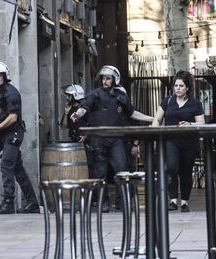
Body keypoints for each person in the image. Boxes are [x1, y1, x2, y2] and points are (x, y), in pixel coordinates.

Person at [71, 65, 153, 212]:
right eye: (103, 78)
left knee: (121, 169)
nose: (105, 81)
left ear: (115, 79)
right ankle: (103, 202)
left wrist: (152, 119)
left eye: (108, 78)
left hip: (117, 139)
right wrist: (77, 114)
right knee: (100, 172)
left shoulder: (121, 96)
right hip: (98, 139)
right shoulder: (94, 94)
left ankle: (122, 201)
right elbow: (84, 107)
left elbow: (132, 113)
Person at [0, 61, 40, 214]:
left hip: (13, 133)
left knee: (6, 165)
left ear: (4, 76)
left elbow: (13, 117)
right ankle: (32, 202)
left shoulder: (11, 93)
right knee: (18, 169)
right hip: (0, 134)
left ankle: (8, 201)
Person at [152, 70, 205, 212]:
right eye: (176, 85)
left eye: (181, 86)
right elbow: (157, 119)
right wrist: (154, 131)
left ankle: (185, 202)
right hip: (171, 140)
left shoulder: (195, 103)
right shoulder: (167, 101)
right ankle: (173, 200)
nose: (178, 88)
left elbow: (201, 123)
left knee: (186, 172)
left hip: (189, 142)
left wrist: (190, 124)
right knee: (172, 168)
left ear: (187, 87)